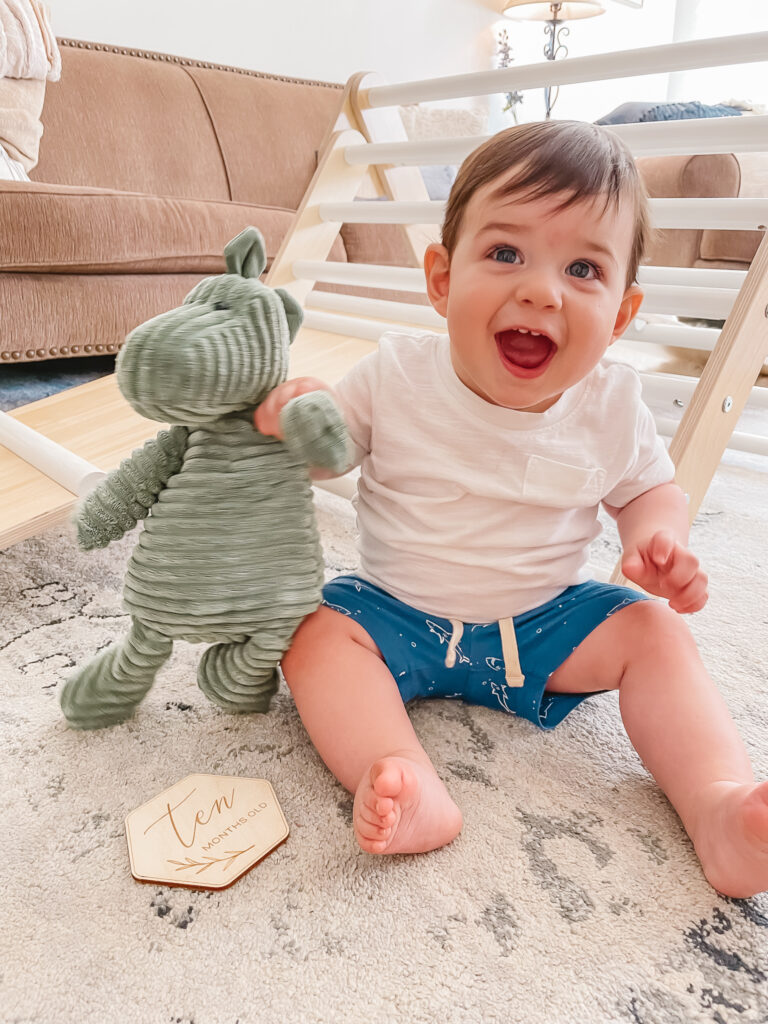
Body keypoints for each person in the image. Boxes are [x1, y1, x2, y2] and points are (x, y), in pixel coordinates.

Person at [255, 121, 768, 898]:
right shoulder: (395, 373)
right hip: (392, 614)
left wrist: (657, 537)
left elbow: (647, 489)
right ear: (441, 279)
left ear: (622, 315)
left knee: (654, 632)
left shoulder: (612, 403)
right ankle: (408, 781)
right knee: (311, 631)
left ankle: (720, 810)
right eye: (504, 254)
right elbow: (331, 450)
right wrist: (301, 416)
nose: (540, 289)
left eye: (584, 268)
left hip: (543, 625)